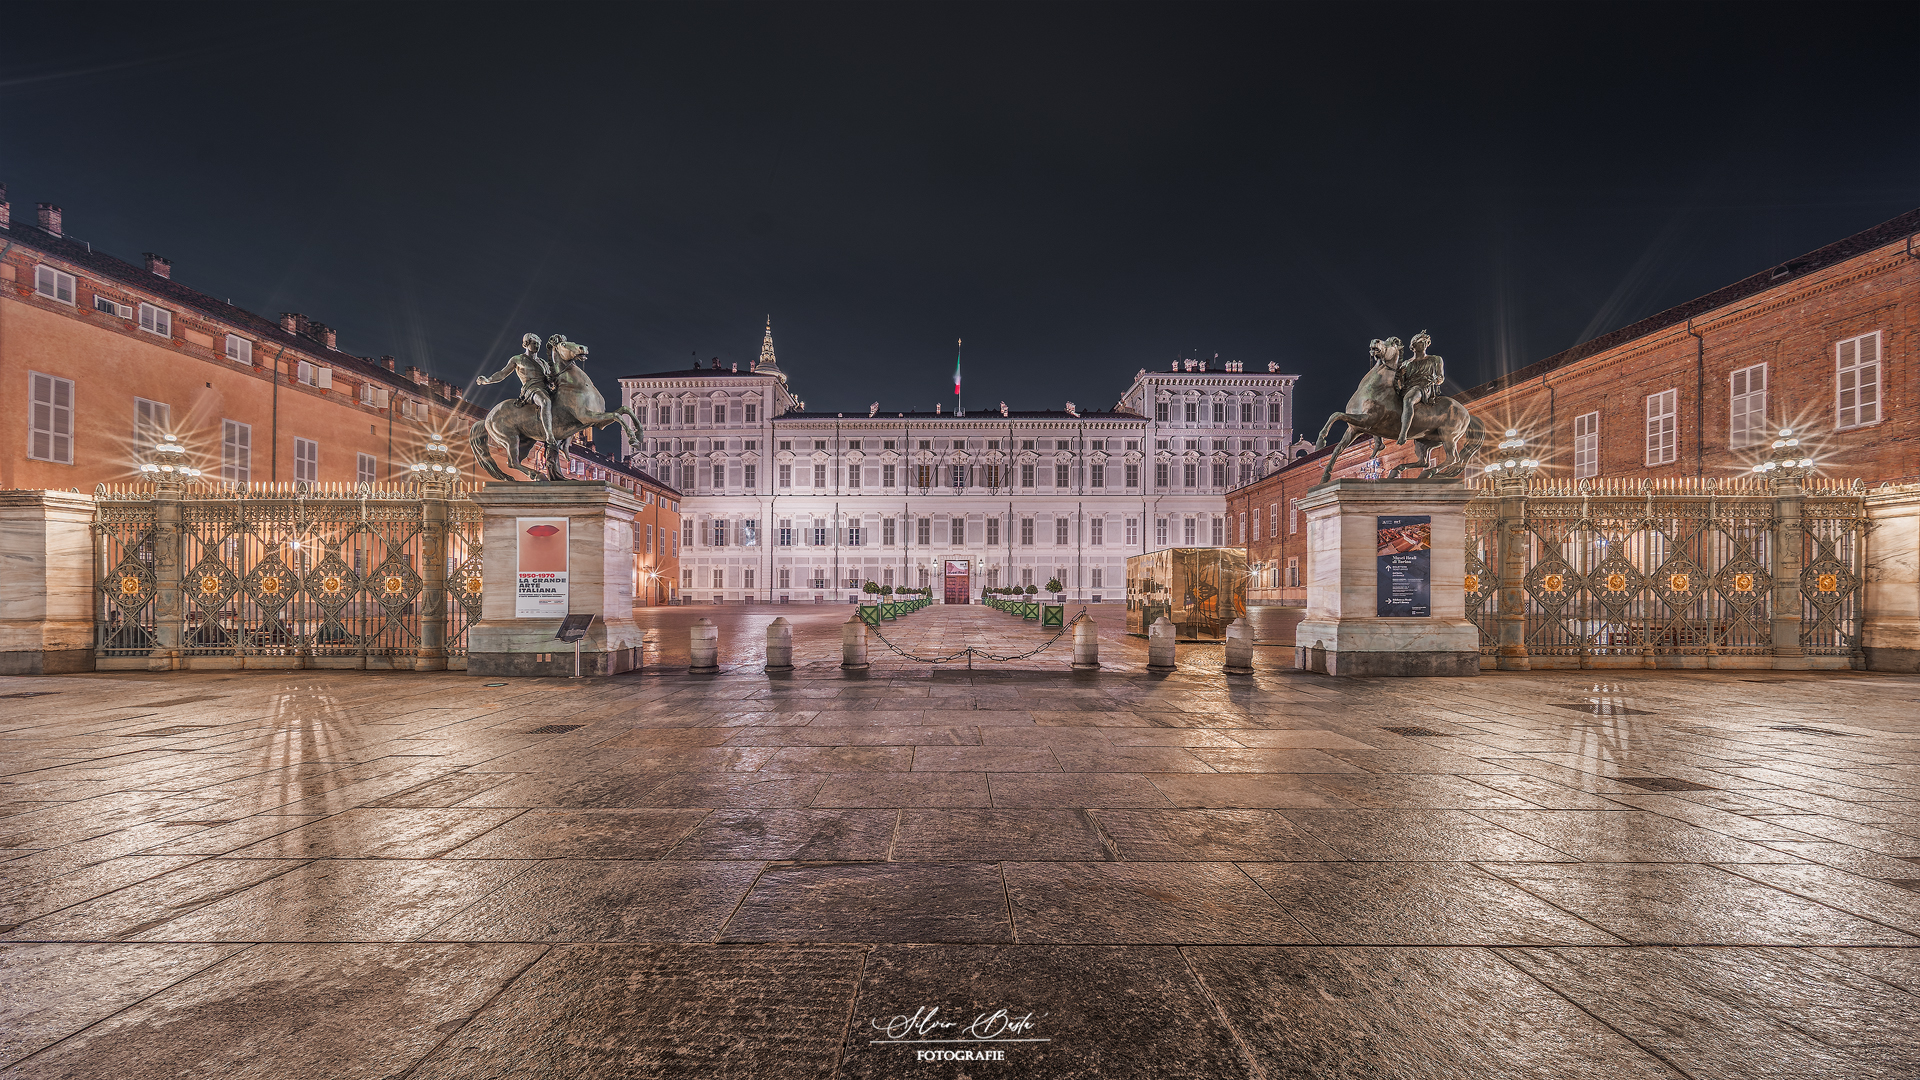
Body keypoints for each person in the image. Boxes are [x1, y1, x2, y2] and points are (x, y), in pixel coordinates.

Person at [478, 333, 557, 443]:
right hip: (531, 389)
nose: (537, 346)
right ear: (526, 344)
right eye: (534, 343)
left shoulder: (543, 362)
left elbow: (551, 377)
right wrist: (487, 380)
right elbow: (502, 373)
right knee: (545, 402)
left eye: (539, 344)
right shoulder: (518, 359)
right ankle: (549, 435)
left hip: (546, 388)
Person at [1398, 330, 1445, 443]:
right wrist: (1399, 376)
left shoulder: (1435, 359)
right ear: (1413, 346)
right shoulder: (1405, 364)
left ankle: (1403, 433)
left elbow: (1440, 377)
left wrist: (1438, 380)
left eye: (1426, 342)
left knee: (1409, 400)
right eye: (1420, 342)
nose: (1423, 344)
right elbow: (1400, 384)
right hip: (1407, 387)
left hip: (1423, 386)